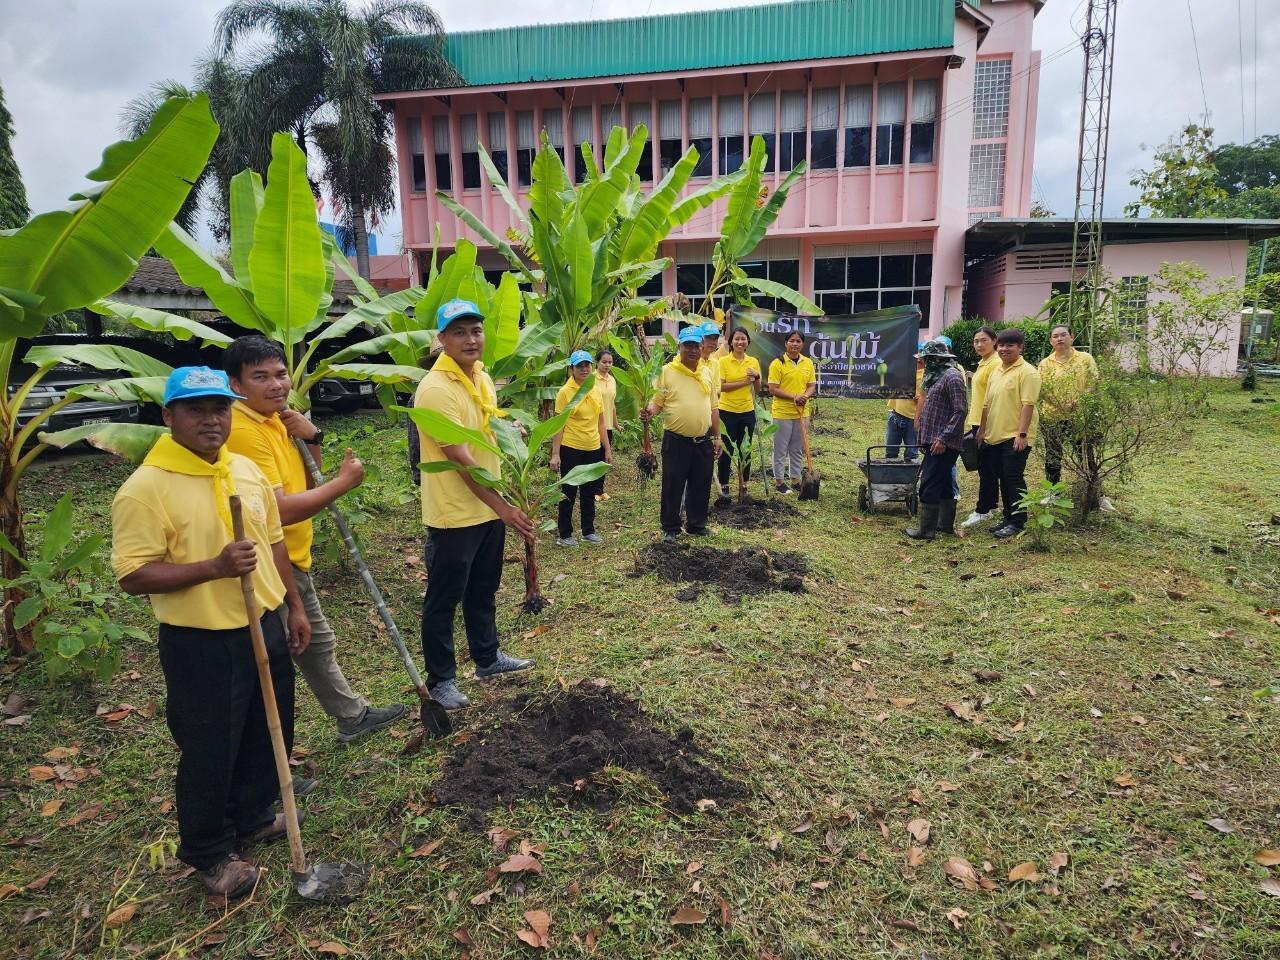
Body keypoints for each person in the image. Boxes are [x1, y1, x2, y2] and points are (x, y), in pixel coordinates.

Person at [111, 367, 311, 900]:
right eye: (196, 409)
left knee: (267, 730)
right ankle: (208, 850)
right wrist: (213, 568)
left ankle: (252, 815)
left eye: (219, 408)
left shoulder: (244, 469)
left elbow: (273, 546)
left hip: (263, 622)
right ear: (168, 416)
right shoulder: (145, 488)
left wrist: (293, 605)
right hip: (202, 640)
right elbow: (133, 574)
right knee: (209, 747)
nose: (211, 419)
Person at [224, 336, 406, 743]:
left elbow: (309, 482)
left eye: (280, 374)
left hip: (290, 553)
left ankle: (350, 716)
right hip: (269, 559)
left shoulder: (275, 419)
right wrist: (344, 484)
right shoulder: (242, 431)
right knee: (284, 654)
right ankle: (274, 765)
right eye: (260, 377)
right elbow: (281, 509)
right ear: (235, 384)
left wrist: (312, 438)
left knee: (313, 642)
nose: (276, 385)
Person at [415, 299, 538, 711]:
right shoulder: (434, 390)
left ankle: (487, 659)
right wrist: (505, 507)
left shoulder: (480, 375)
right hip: (454, 513)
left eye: (476, 331)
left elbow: (488, 423)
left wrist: (509, 427)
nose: (471, 339)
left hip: (488, 507)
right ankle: (442, 681)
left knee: (484, 589)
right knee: (443, 599)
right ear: (442, 339)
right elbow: (462, 461)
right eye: (460, 332)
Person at [642, 325, 721, 541]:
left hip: (703, 440)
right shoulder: (667, 371)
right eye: (688, 345)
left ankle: (697, 524)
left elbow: (714, 406)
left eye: (696, 345)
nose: (693, 350)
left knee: (701, 483)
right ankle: (670, 528)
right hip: (676, 440)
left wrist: (718, 436)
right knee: (673, 484)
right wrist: (649, 413)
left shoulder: (706, 371)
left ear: (702, 346)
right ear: (680, 347)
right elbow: (657, 402)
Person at [1037, 324, 1111, 508]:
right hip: (1052, 416)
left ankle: (1098, 495)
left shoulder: (1085, 359)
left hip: (1080, 416)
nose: (1060, 339)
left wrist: (1080, 399)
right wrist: (1061, 405)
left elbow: (1093, 382)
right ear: (1050, 341)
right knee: (1053, 456)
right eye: (1055, 336)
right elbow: (1042, 389)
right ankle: (1053, 492)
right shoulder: (1045, 363)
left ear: (1072, 337)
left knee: (1086, 455)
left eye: (1063, 335)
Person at [977, 328, 1042, 539]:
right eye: (1002, 345)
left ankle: (1018, 521)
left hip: (1015, 436)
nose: (1004, 349)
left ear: (1020, 347)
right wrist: (982, 429)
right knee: (1002, 478)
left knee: (1013, 478)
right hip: (994, 435)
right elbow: (986, 404)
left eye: (1010, 345)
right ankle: (1008, 516)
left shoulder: (1028, 372)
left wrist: (1022, 434)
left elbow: (1028, 405)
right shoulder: (997, 370)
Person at [904, 340, 968, 540]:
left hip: (943, 443)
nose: (923, 362)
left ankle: (926, 531)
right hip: (933, 440)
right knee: (945, 481)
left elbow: (960, 411)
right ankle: (944, 525)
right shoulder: (935, 377)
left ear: (937, 359)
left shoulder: (952, 377)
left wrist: (942, 439)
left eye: (927, 359)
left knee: (929, 482)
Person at [551, 350, 612, 546]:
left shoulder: (594, 389)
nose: (584, 369)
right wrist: (555, 454)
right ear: (572, 369)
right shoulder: (565, 392)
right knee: (568, 491)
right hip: (571, 447)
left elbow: (601, 423)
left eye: (587, 365)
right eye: (580, 366)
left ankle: (588, 530)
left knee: (589, 491)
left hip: (593, 447)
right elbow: (558, 425)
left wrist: (607, 449)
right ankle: (565, 534)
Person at [961, 325, 1002, 528]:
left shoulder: (996, 363)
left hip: (987, 422)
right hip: (978, 420)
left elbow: (994, 397)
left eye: (983, 340)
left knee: (986, 468)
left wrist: (984, 426)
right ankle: (992, 505)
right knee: (988, 467)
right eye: (976, 341)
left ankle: (982, 510)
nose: (979, 344)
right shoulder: (984, 363)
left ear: (994, 341)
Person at [767, 330, 816, 493]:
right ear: (786, 343)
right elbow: (773, 389)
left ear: (803, 344)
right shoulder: (777, 363)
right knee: (780, 448)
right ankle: (779, 482)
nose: (795, 344)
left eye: (798, 341)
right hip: (782, 412)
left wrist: (805, 396)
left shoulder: (807, 362)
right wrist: (794, 397)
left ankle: (795, 479)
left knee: (797, 448)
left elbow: (811, 385)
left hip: (802, 412)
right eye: (792, 341)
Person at [716, 326, 762, 498]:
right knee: (726, 451)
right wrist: (744, 382)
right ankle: (725, 487)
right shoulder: (723, 362)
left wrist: (756, 377)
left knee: (746, 450)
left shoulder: (753, 362)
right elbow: (721, 387)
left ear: (748, 342)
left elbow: (757, 389)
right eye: (736, 339)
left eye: (743, 338)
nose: (740, 342)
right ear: (731, 342)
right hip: (727, 411)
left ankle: (744, 486)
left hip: (747, 411)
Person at [886, 342, 926, 461]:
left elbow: (932, 396)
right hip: (895, 414)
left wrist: (922, 397)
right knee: (890, 452)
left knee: (911, 454)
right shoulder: (903, 368)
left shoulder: (928, 374)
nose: (919, 358)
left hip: (914, 418)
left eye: (922, 356)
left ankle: (908, 478)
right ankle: (890, 477)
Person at [594, 348, 618, 502]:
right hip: (594, 426)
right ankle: (593, 491)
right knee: (595, 459)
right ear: (597, 362)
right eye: (604, 362)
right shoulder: (591, 379)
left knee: (605, 459)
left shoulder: (612, 379)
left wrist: (616, 423)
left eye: (610, 362)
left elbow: (612, 404)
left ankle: (601, 490)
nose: (607, 365)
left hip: (607, 425)